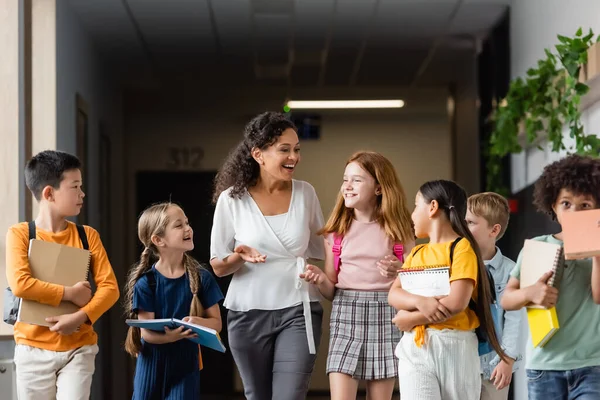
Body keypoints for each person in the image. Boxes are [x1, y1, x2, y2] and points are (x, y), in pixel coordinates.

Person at [210, 111, 325, 400]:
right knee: (257, 396)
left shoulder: (306, 193)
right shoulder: (231, 199)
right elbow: (218, 266)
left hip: (299, 309)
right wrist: (239, 256)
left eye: (297, 149)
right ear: (258, 154)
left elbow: (329, 248)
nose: (294, 157)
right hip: (247, 314)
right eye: (284, 149)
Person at [6, 150, 120, 400]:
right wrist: (70, 294)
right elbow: (21, 285)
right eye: (75, 187)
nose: (82, 194)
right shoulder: (20, 234)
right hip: (31, 350)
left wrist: (80, 317)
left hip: (79, 349)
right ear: (49, 193)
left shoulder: (88, 236)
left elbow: (110, 288)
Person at [300, 151, 415, 400]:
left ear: (378, 188)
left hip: (388, 314)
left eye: (357, 180)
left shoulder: (400, 230)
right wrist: (321, 279)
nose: (347, 186)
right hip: (346, 314)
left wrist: (401, 270)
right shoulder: (335, 233)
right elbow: (331, 290)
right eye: (345, 179)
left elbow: (419, 282)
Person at [388, 179, 506, 400]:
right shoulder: (416, 253)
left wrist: (413, 319)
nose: (412, 215)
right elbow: (394, 294)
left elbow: (456, 302)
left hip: (456, 346)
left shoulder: (462, 248)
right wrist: (421, 302)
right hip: (415, 346)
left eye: (415, 205)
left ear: (432, 207)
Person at [501, 154, 600, 400]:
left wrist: (597, 254)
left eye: (585, 205)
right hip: (544, 365)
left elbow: (598, 297)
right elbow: (506, 299)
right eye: (566, 203)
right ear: (553, 206)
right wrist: (529, 293)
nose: (574, 211)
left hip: (592, 364)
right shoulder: (537, 246)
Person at [124, 202, 223, 399]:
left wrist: (197, 322)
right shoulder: (147, 283)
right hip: (151, 365)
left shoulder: (202, 278)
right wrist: (170, 337)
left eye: (187, 223)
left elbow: (217, 323)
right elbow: (147, 334)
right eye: (179, 225)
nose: (188, 229)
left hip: (186, 365)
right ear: (158, 240)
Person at [466, 192, 522, 400]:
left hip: (495, 365)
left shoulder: (511, 271)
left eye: (470, 222)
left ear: (494, 229)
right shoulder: (455, 265)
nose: (463, 227)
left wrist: (507, 360)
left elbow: (515, 321)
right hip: (461, 361)